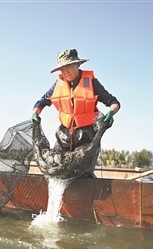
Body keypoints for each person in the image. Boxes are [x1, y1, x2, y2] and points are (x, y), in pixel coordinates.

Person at [31, 48, 120, 177]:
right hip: (64, 134)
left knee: (83, 174)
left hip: (87, 137)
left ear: (78, 64)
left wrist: (111, 113)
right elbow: (42, 101)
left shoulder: (91, 83)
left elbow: (114, 103)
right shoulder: (59, 83)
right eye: (62, 69)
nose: (65, 72)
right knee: (55, 166)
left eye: (68, 67)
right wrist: (35, 113)